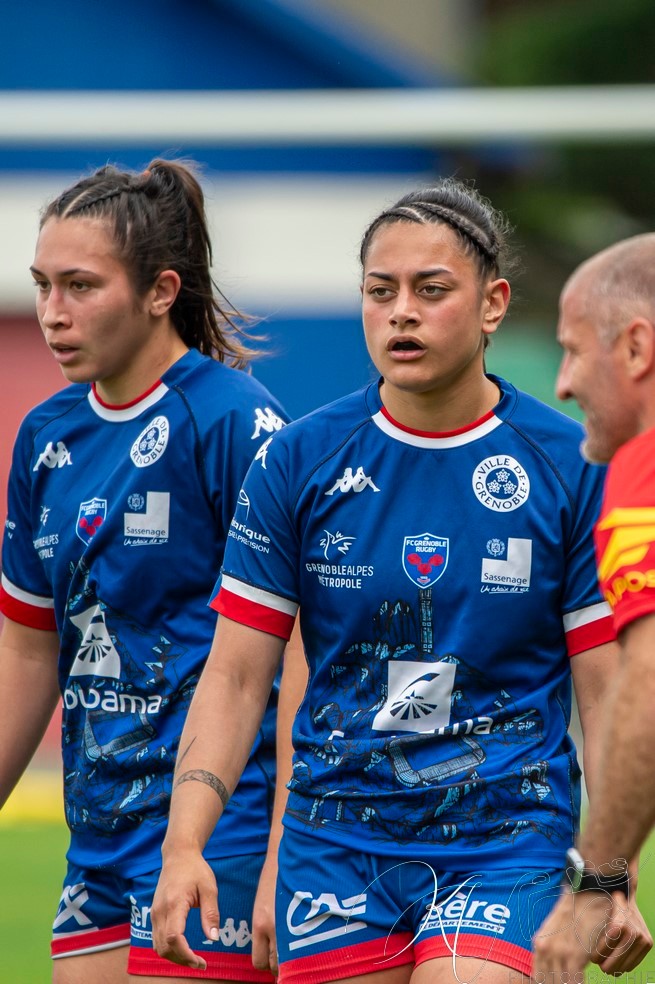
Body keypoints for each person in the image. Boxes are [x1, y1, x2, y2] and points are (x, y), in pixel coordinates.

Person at [150, 179, 650, 984]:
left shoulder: (570, 465)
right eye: (379, 292)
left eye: (430, 290)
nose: (400, 312)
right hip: (335, 843)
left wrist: (608, 873)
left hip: (507, 841)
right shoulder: (298, 461)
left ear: (492, 306)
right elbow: (238, 676)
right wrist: (184, 845)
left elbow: (605, 686)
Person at [0, 159, 291, 983]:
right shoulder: (47, 437)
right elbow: (26, 650)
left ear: (161, 291)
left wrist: (282, 850)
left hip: (221, 829)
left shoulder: (236, 424)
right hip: (97, 833)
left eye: (80, 287)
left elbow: (302, 646)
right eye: (42, 286)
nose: (51, 314)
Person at [532, 233, 655, 981]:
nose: (562, 382)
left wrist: (593, 884)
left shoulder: (642, 470)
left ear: (636, 347)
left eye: (573, 351)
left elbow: (646, 686)